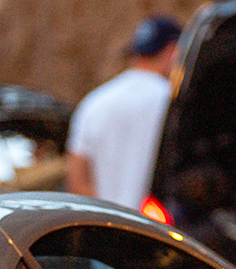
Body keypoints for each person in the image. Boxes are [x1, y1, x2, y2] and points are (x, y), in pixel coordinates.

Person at [65, 14, 181, 210]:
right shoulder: (174, 103)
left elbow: (77, 179)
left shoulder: (94, 102)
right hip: (161, 233)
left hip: (108, 229)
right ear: (173, 51)